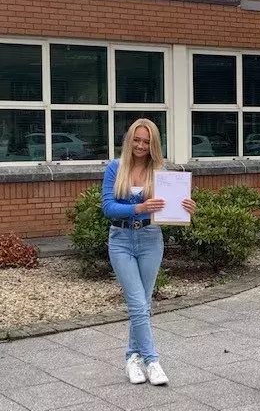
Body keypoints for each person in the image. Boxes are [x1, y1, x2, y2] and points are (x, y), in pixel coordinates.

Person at [102, 118, 196, 386]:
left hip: (150, 239)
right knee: (137, 303)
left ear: (153, 144)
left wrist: (186, 207)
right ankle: (152, 360)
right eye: (137, 139)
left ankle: (132, 357)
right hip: (120, 239)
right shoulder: (114, 168)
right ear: (129, 139)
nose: (141, 145)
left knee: (143, 302)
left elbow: (171, 211)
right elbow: (108, 208)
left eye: (147, 141)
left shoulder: (161, 172)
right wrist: (139, 208)